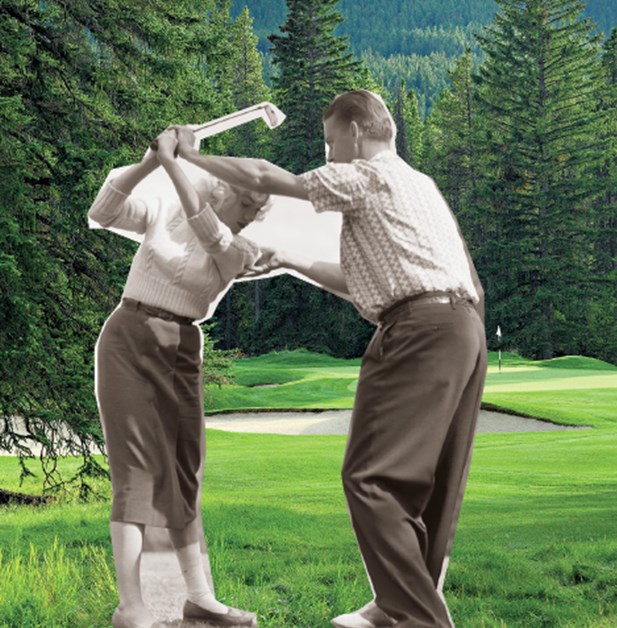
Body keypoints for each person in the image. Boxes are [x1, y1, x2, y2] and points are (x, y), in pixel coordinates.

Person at [174, 89, 487, 628]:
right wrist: (291, 258)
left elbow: (266, 176)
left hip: (417, 333)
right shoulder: (418, 185)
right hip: (461, 327)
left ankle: (419, 619)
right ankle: (396, 606)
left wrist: (189, 155)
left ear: (356, 132)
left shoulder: (367, 175)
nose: (327, 155)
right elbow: (372, 282)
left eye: (329, 142)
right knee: (429, 487)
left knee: (371, 477)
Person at [89, 130, 265, 628]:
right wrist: (150, 160)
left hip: (183, 349)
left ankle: (200, 598)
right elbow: (103, 211)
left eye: (256, 212)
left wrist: (174, 163)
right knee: (135, 469)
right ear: (223, 190)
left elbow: (211, 235)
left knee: (186, 470)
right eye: (246, 205)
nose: (250, 216)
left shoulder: (240, 249)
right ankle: (132, 606)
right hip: (128, 338)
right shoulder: (163, 212)